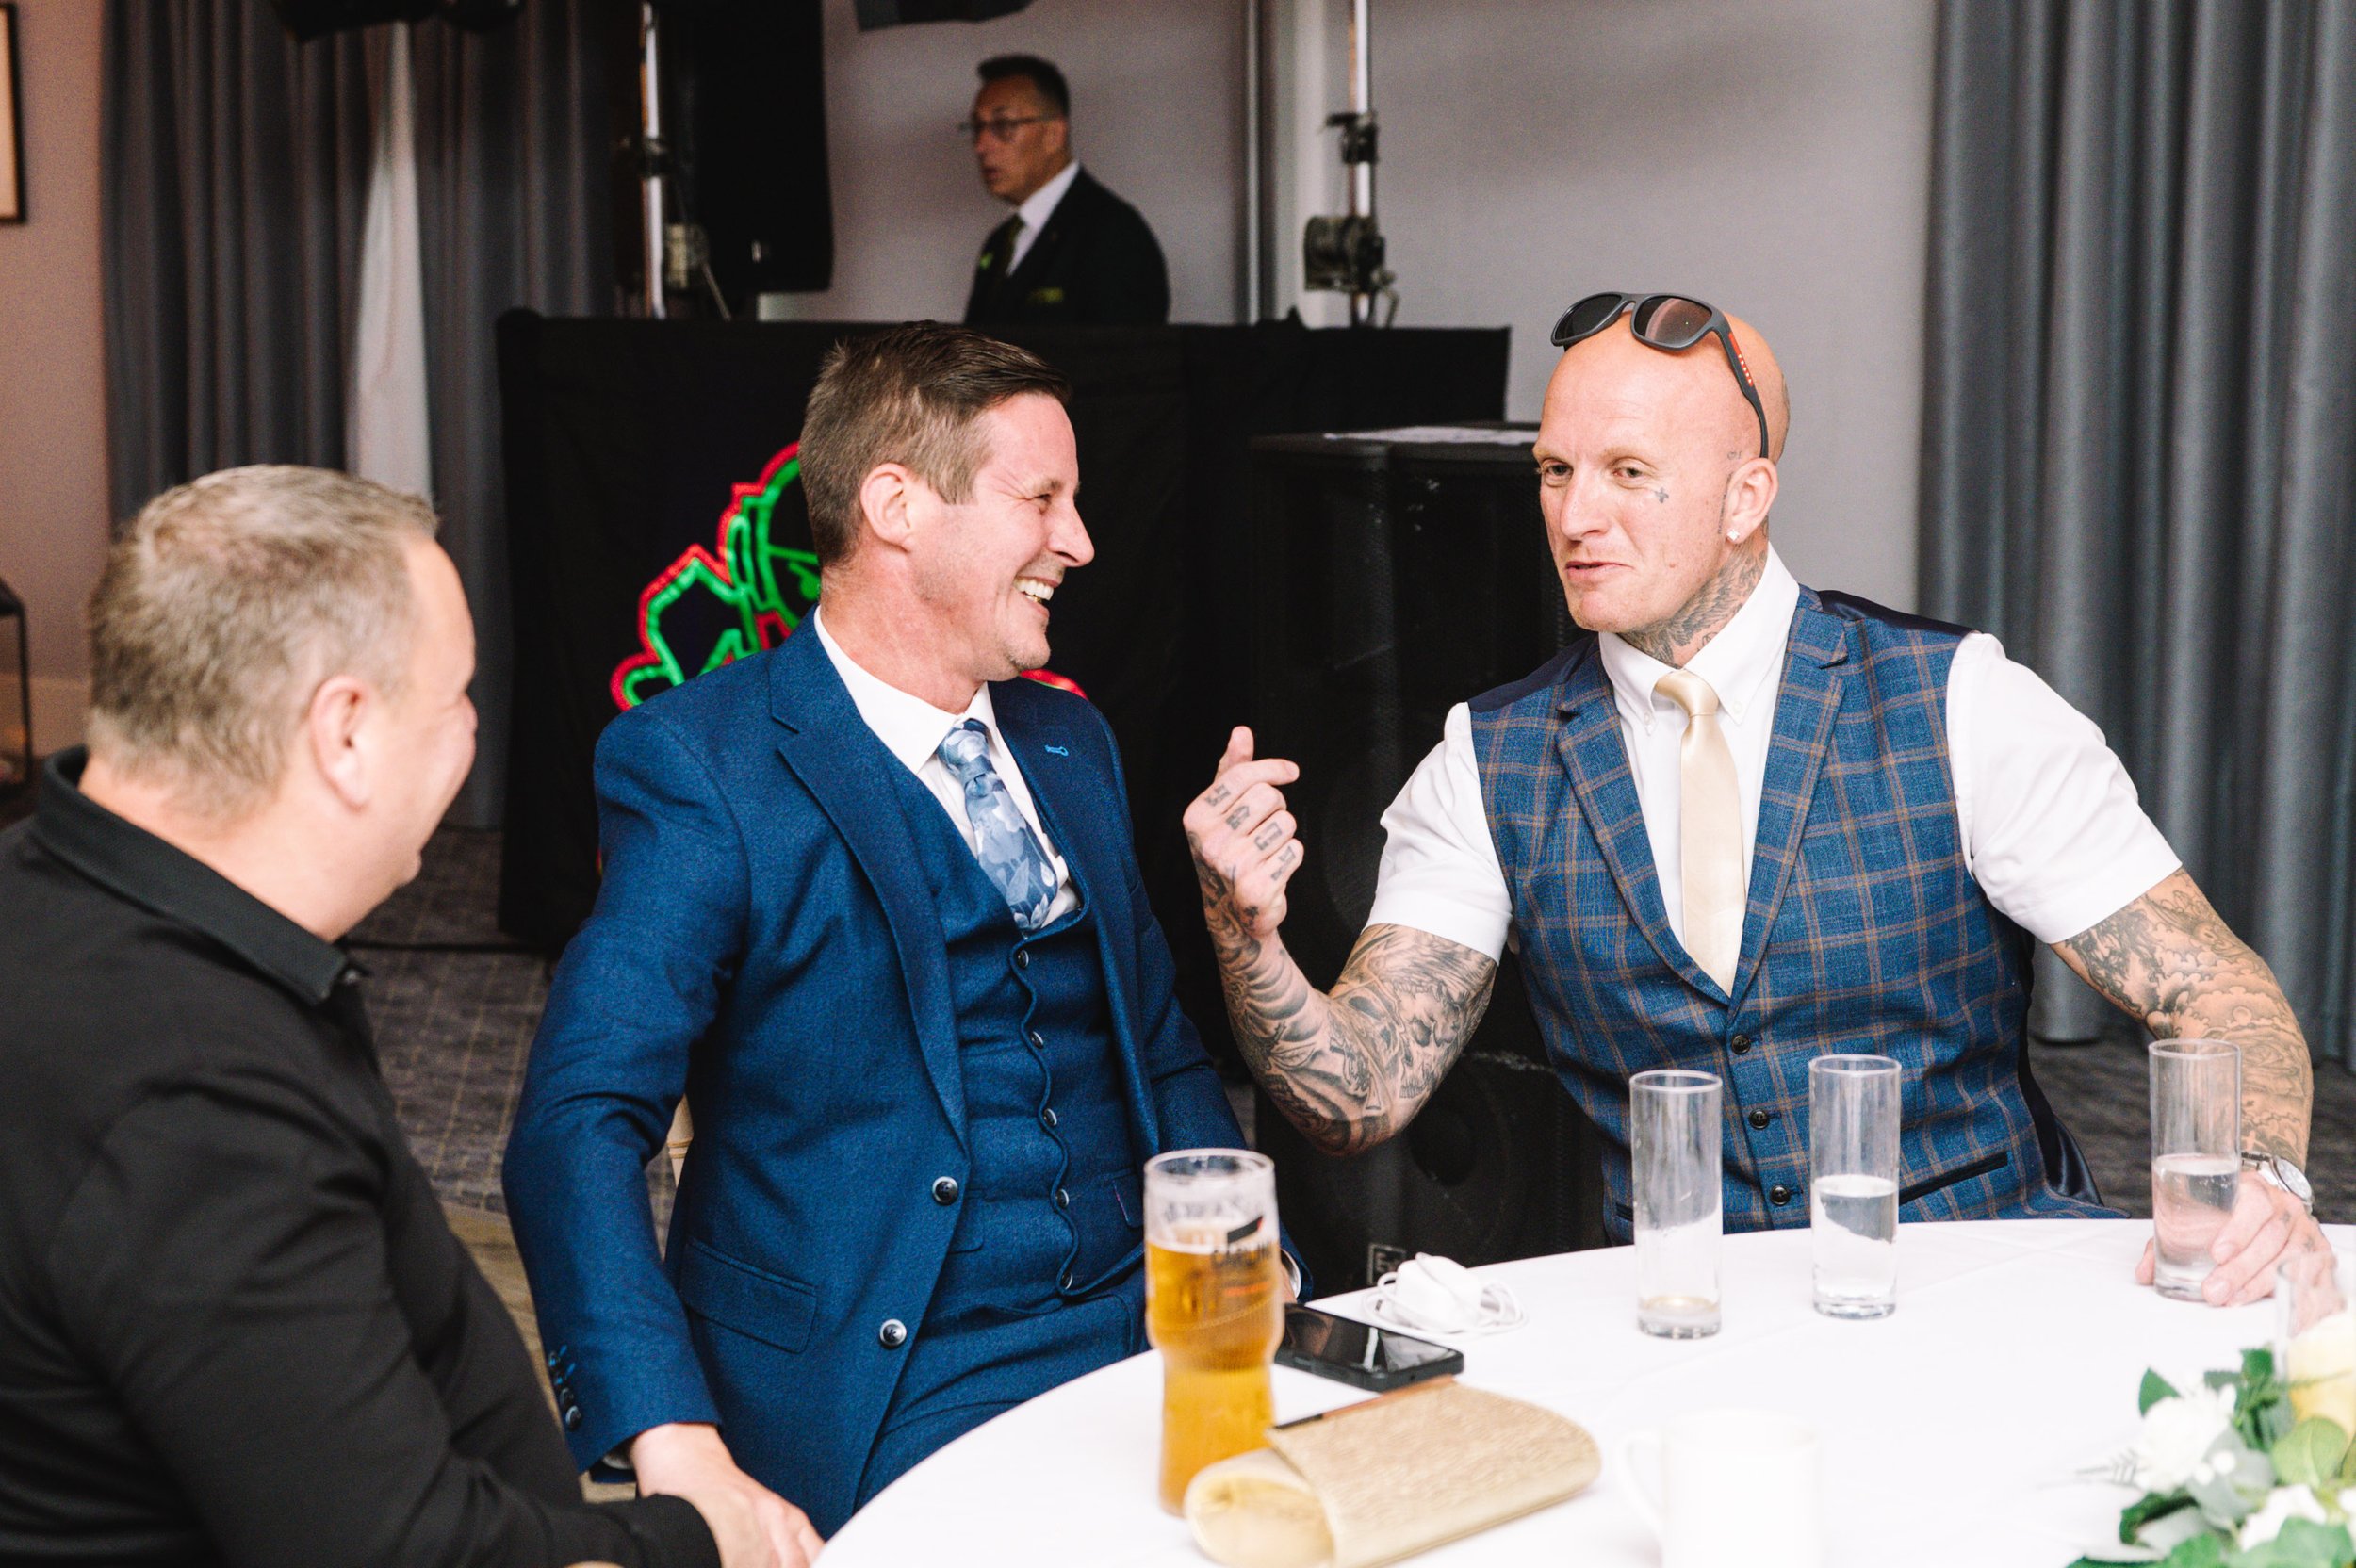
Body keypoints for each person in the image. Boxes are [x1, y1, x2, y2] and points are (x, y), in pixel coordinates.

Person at [1186, 291, 2326, 1306]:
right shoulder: (1487, 760)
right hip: (1688, 1321)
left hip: (1986, 1287)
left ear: (1745, 497)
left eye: (1628, 471)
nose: (1574, 515)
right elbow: (1357, 1092)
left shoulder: (1961, 701)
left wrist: (2259, 1182)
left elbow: (2213, 989)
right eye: (1554, 470)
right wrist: (1247, 935)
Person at [503, 323, 1293, 1547]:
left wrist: (1251, 1274)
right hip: (895, 1382)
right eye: (1042, 499)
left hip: (1147, 1342)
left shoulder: (1071, 745)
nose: (1081, 542)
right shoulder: (705, 766)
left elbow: (1157, 1046)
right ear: (896, 506)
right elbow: (577, 1120)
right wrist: (674, 1440)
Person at [0, 466, 762, 1566]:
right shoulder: (198, 1109)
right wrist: (692, 1538)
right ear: (345, 732)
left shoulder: (54, 887)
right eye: (455, 695)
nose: (470, 728)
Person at [960, 54, 1170, 327]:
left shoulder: (1113, 233)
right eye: (978, 127)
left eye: (1003, 126)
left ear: (1054, 134)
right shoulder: (1000, 242)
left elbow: (1125, 351)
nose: (981, 145)